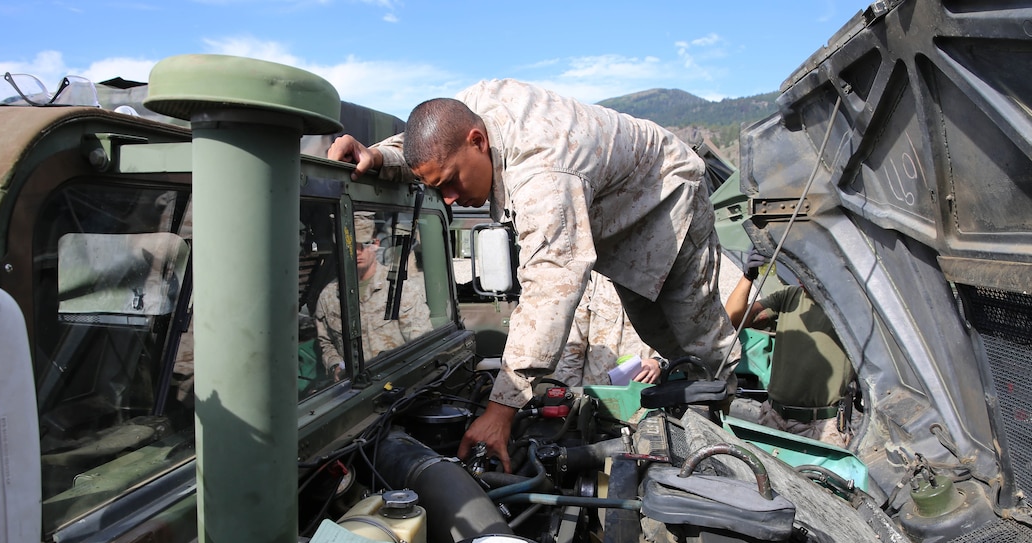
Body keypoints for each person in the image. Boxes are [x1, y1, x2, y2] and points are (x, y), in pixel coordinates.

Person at [328, 79, 739, 471]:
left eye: (451, 182)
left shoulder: (544, 175)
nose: (449, 199)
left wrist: (501, 409)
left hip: (665, 195)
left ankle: (731, 432)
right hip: (608, 203)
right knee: (658, 332)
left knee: (693, 338)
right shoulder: (471, 112)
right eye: (439, 189)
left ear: (478, 142)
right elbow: (433, 144)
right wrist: (379, 155)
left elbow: (550, 287)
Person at [725, 248, 857, 447]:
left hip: (820, 427)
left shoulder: (847, 307)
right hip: (775, 418)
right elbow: (734, 319)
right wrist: (747, 277)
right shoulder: (789, 297)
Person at [313, 211, 433, 381]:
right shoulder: (329, 296)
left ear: (376, 244)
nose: (357, 252)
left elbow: (422, 345)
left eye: (363, 244)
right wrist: (336, 366)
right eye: (350, 246)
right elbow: (326, 343)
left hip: (397, 385)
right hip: (353, 390)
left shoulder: (399, 289)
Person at [552, 271, 664, 387]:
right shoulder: (592, 280)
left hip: (648, 393)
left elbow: (678, 339)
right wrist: (572, 397)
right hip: (597, 395)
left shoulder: (660, 278)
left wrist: (659, 362)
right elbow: (572, 348)